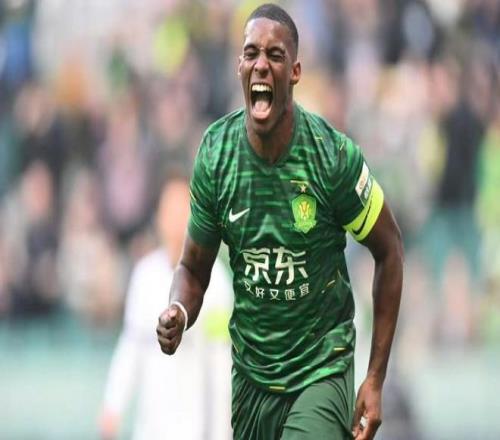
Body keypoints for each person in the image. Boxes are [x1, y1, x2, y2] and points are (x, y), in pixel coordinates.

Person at [157, 4, 403, 440]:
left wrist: (374, 378)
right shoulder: (216, 154)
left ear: (295, 72)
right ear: (239, 67)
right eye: (251, 53)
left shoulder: (332, 157)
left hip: (320, 369)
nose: (261, 65)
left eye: (275, 55)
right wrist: (178, 308)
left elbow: (390, 250)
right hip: (251, 379)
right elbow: (193, 268)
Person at [100, 176, 233, 440]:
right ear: (158, 217)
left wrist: (222, 433)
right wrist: (112, 406)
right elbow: (131, 346)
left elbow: (222, 367)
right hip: (150, 431)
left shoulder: (216, 282)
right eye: (170, 211)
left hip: (196, 431)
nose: (176, 221)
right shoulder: (144, 276)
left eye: (183, 211)